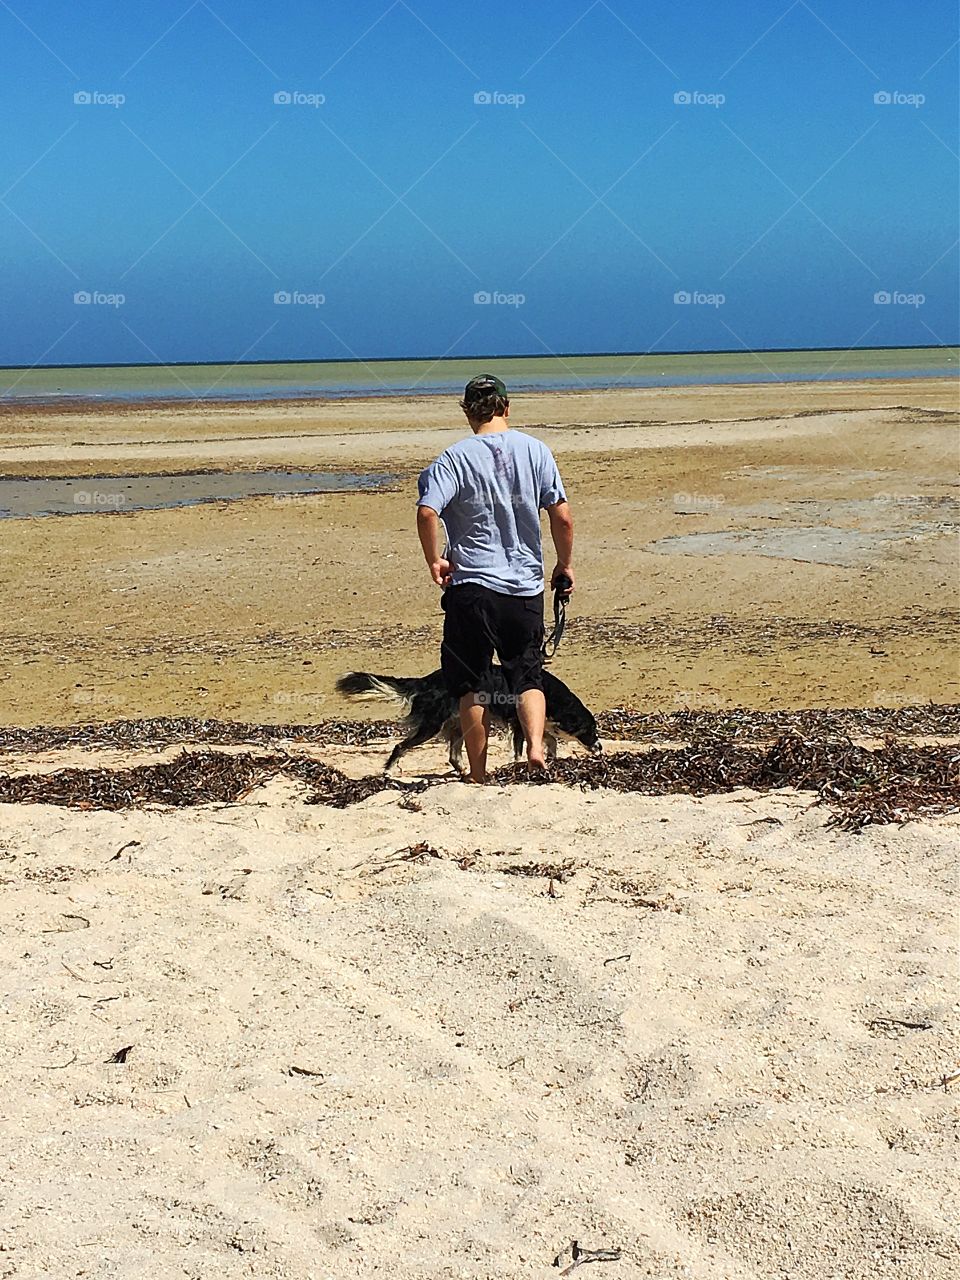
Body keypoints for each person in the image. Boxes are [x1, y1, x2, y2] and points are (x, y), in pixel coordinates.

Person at [416, 374, 574, 783]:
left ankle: (479, 772)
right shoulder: (537, 451)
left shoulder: (451, 459)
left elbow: (427, 512)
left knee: (473, 682)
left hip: (472, 587)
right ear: (506, 407)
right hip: (523, 587)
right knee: (528, 675)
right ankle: (536, 748)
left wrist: (435, 560)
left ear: (468, 412)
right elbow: (561, 515)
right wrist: (563, 564)